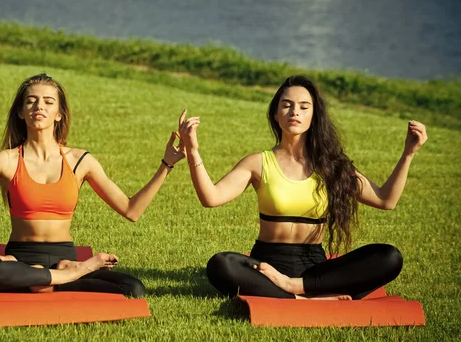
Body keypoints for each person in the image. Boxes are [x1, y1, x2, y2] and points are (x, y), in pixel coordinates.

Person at [0, 73, 185, 296]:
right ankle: (67, 276)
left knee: (133, 288)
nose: (39, 106)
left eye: (48, 101)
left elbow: (131, 210)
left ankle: (53, 277)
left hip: (64, 257)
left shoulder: (81, 161)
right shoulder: (5, 161)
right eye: (31, 100)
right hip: (21, 258)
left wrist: (166, 164)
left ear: (59, 114)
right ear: (20, 111)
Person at [178, 75, 428, 300]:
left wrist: (408, 153)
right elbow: (211, 197)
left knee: (389, 257)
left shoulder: (331, 166)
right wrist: (193, 150)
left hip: (314, 266)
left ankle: (296, 288)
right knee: (220, 264)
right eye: (286, 105)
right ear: (275, 115)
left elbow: (385, 200)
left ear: (314, 115)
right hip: (268, 265)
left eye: (303, 107)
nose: (294, 111)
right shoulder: (258, 163)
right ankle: (308, 297)